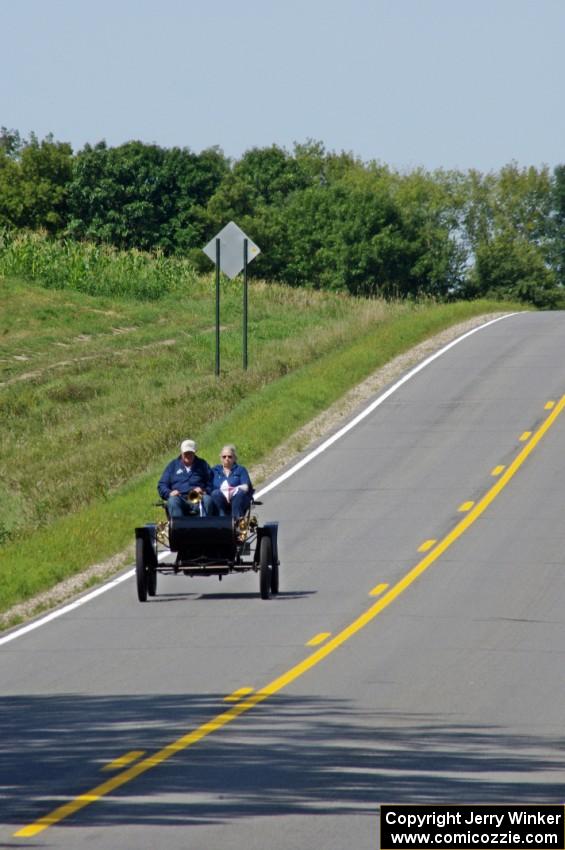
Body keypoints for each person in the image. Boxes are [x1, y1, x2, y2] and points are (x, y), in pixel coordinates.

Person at [157, 439, 215, 518]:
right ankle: (179, 529)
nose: (188, 455)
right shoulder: (173, 466)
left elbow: (211, 482)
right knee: (172, 501)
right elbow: (162, 485)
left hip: (198, 499)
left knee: (208, 500)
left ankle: (205, 528)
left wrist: (204, 491)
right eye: (185, 453)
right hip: (180, 499)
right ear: (181, 452)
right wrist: (169, 493)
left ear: (194, 452)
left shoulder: (203, 465)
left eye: (190, 453)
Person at [210, 444, 254, 518]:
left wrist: (233, 490)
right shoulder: (215, 470)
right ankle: (221, 521)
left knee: (239, 493)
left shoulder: (241, 469)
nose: (227, 459)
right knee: (215, 493)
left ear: (234, 458)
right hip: (220, 498)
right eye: (224, 457)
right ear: (220, 458)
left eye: (230, 457)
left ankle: (237, 520)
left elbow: (246, 487)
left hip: (238, 498)